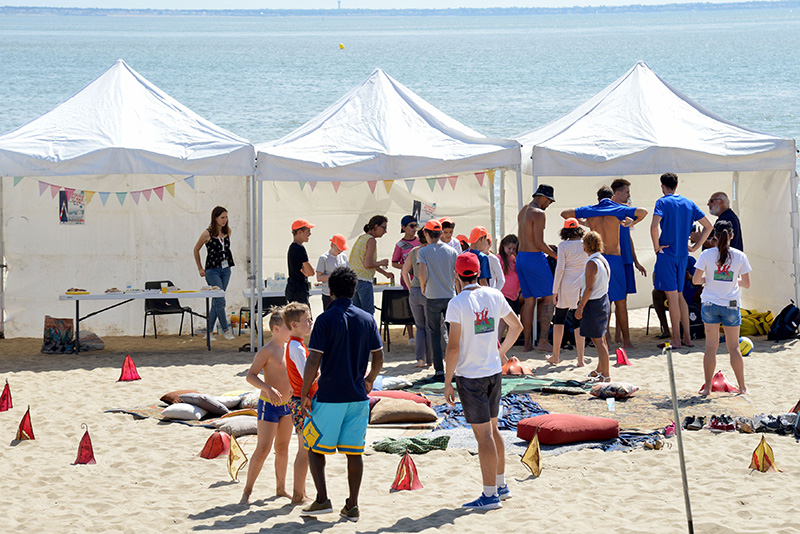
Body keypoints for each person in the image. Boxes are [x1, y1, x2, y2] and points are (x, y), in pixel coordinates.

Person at [300, 267, 384, 522]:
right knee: (354, 452)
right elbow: (378, 356)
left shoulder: (325, 319)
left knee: (313, 446)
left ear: (331, 290)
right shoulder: (367, 319)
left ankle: (322, 499)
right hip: (358, 397)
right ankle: (352, 505)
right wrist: (370, 380)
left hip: (329, 396)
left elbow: (314, 359)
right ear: (354, 289)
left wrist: (304, 392)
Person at [444, 253, 523, 510]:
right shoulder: (494, 295)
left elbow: (453, 347)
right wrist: (500, 353)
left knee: (484, 436)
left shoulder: (457, 303)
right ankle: (501, 485)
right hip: (492, 372)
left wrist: (447, 380)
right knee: (493, 429)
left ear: (457, 275)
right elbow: (517, 326)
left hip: (471, 376)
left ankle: (490, 495)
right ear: (479, 273)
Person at [561, 185, 647, 350]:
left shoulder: (591, 210)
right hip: (614, 259)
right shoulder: (618, 209)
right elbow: (643, 212)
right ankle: (626, 341)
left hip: (597, 259)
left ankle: (605, 339)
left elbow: (565, 214)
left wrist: (585, 222)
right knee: (620, 303)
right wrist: (632, 222)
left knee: (601, 300)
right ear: (612, 196)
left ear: (598, 198)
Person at [650, 172, 713, 349]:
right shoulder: (689, 203)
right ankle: (687, 338)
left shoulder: (662, 202)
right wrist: (696, 246)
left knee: (672, 298)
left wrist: (656, 246)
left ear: (663, 186)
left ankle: (676, 339)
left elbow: (654, 227)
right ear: (677, 185)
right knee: (679, 296)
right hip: (683, 255)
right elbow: (709, 226)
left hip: (667, 254)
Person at [240, 309, 293, 505]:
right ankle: (247, 491)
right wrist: (267, 388)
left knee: (283, 448)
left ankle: (281, 488)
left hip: (288, 406)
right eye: (288, 327)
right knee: (263, 449)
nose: (292, 330)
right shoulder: (267, 350)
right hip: (269, 406)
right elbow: (250, 376)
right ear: (276, 329)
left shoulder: (291, 348)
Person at [692, 220, 750, 395]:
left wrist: (709, 279)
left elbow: (695, 280)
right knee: (734, 348)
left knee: (710, 348)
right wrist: (731, 280)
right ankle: (742, 387)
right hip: (730, 304)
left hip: (710, 303)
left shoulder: (706, 254)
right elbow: (746, 284)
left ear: (715, 236)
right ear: (732, 235)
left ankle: (707, 388)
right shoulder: (740, 256)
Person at [283, 302, 317, 505]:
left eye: (310, 319)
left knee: (306, 448)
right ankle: (297, 494)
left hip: (299, 400)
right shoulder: (296, 347)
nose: (310, 323)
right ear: (294, 324)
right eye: (306, 320)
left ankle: (301, 492)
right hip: (301, 401)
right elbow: (307, 376)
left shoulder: (296, 345)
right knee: (304, 450)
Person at [516, 184, 558, 352]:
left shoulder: (523, 210)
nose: (549, 205)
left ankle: (527, 343)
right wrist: (555, 255)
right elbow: (539, 243)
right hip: (534, 258)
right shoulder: (539, 213)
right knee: (550, 298)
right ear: (544, 198)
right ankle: (543, 340)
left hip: (521, 257)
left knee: (529, 300)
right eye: (549, 201)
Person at [417, 219, 459, 381]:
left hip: (432, 296)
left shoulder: (423, 252)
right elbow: (456, 274)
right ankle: (454, 369)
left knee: (434, 334)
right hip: (450, 296)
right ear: (441, 233)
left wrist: (423, 286)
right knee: (453, 334)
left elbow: (422, 273)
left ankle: (439, 371)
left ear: (426, 233)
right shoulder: (452, 251)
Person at [611, 179, 648, 347]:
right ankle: (611, 336)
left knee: (622, 300)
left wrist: (636, 261)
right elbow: (643, 212)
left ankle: (619, 335)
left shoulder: (624, 211)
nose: (629, 195)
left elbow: (628, 237)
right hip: (614, 260)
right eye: (626, 192)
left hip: (626, 259)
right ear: (618, 193)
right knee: (610, 300)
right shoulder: (611, 210)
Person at [546, 218, 587, 366]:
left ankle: (555, 356)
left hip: (566, 285)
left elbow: (560, 269)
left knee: (559, 319)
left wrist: (554, 290)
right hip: (581, 285)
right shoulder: (585, 244)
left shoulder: (563, 245)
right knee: (578, 320)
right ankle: (580, 359)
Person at [193, 206, 235, 340]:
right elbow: (196, 249)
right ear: (215, 218)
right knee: (220, 299)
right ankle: (225, 329)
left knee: (217, 301)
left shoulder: (228, 231)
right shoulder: (207, 233)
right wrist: (200, 268)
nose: (225, 220)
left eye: (226, 217)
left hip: (226, 269)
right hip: (212, 270)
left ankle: (209, 332)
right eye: (222, 217)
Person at [575, 231, 612, 383]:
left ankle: (606, 374)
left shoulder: (592, 263)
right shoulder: (602, 259)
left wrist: (580, 306)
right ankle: (600, 369)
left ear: (587, 245)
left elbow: (589, 288)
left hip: (594, 303)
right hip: (603, 300)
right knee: (600, 338)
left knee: (598, 341)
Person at [349, 215, 394, 314]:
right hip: (364, 281)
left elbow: (365, 262)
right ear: (376, 226)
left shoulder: (362, 238)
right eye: (384, 228)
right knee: (368, 313)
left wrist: (385, 273)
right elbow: (368, 264)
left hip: (353, 280)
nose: (385, 231)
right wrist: (381, 262)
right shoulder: (371, 240)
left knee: (356, 313)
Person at [402, 229, 433, 368]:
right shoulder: (431, 251)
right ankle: (430, 359)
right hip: (428, 290)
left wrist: (410, 288)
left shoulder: (414, 251)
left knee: (419, 327)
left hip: (415, 290)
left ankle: (420, 359)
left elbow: (404, 272)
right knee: (429, 327)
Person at [392, 215, 420, 345]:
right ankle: (411, 337)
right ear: (403, 228)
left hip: (420, 279)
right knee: (409, 308)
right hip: (407, 280)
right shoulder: (400, 245)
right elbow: (394, 262)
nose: (414, 229)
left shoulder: (420, 242)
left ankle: (421, 333)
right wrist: (407, 267)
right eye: (411, 226)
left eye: (416, 226)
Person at [286, 219, 315, 306]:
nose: (310, 234)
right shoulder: (299, 248)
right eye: (308, 231)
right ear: (299, 232)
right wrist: (308, 271)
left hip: (294, 288)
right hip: (299, 290)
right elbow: (311, 272)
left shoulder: (293, 247)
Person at [316, 234, 349, 311]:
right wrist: (335, 275)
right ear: (332, 245)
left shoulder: (343, 257)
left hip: (342, 293)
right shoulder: (324, 258)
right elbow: (319, 277)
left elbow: (348, 272)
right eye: (339, 249)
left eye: (342, 249)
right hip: (329, 294)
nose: (341, 251)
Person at [497, 234, 521, 341]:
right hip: (504, 294)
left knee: (512, 322)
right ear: (503, 246)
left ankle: (508, 342)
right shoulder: (499, 258)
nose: (511, 251)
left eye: (514, 249)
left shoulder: (514, 259)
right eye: (509, 248)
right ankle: (497, 340)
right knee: (503, 320)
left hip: (514, 295)